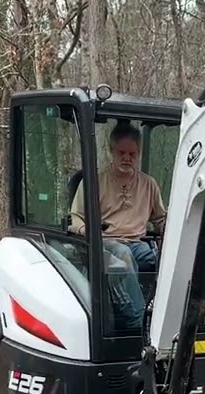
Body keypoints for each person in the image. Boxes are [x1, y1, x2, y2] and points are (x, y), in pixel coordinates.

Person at [69, 121, 168, 330]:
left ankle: (167, 314)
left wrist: (175, 239)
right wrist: (85, 231)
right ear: (111, 151)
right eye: (121, 152)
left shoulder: (149, 184)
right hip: (104, 244)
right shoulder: (94, 182)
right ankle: (137, 320)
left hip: (138, 244)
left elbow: (160, 220)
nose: (127, 158)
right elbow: (76, 216)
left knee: (164, 260)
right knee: (122, 255)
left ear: (138, 154)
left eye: (132, 154)